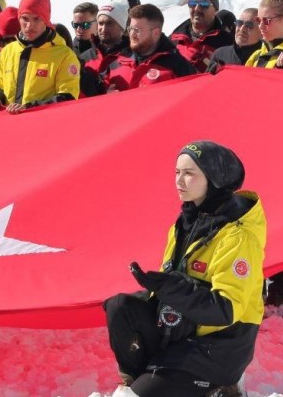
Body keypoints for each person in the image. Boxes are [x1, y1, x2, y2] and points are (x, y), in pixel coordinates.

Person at [104, 141, 264, 397]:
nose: (179, 180)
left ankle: (222, 386)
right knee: (120, 307)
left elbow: (225, 310)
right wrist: (158, 288)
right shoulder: (186, 222)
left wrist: (170, 287)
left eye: (189, 173)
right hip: (183, 329)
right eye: (177, 172)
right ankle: (144, 380)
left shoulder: (237, 237)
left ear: (214, 178)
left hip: (219, 344)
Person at [0, 0, 81, 114]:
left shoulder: (64, 55)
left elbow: (68, 97)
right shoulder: (8, 51)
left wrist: (28, 108)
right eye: (24, 18)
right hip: (9, 124)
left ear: (45, 20)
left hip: (44, 125)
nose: (29, 25)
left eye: (36, 19)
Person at [104, 3, 197, 91]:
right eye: (130, 29)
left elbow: (191, 98)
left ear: (156, 33)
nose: (132, 34)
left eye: (137, 30)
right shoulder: (116, 62)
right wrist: (107, 95)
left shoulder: (177, 65)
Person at [170, 0, 234, 72]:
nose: (197, 8)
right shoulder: (174, 38)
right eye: (192, 4)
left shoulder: (226, 43)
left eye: (204, 4)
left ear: (215, 9)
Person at [80, 0, 131, 96]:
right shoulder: (84, 58)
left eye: (109, 23)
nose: (103, 28)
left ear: (121, 26)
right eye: (101, 23)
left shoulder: (133, 56)